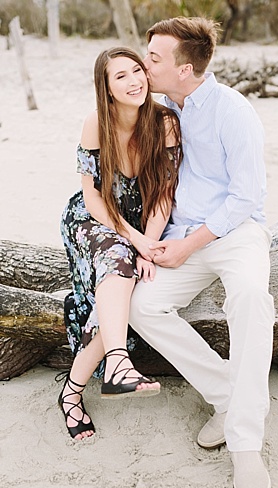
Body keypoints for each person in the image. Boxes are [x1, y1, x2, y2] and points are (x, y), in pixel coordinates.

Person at [127, 17, 274, 488]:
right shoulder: (164, 107)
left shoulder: (233, 110)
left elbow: (246, 196)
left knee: (252, 298)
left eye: (154, 58)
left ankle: (246, 443)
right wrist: (160, 241)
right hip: (180, 232)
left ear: (185, 69)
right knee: (143, 307)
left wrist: (190, 246)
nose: (144, 63)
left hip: (234, 232)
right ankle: (228, 397)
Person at [59, 47, 182, 440]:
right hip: (92, 220)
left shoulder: (164, 122)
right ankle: (118, 362)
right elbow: (93, 198)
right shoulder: (96, 123)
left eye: (137, 71)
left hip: (141, 224)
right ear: (107, 88)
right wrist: (136, 242)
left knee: (117, 286)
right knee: (118, 259)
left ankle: (72, 394)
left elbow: (165, 193)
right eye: (120, 77)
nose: (134, 81)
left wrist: (150, 240)